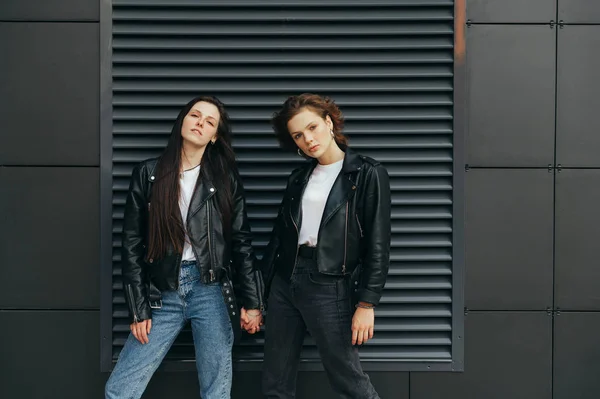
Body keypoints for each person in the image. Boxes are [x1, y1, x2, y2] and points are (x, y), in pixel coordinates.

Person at [105, 96, 264, 399]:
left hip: (212, 290)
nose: (200, 123)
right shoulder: (148, 174)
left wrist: (253, 302)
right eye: (195, 115)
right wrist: (138, 309)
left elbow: (241, 241)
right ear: (183, 120)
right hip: (162, 293)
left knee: (216, 392)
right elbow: (132, 245)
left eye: (209, 122)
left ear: (215, 135)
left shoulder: (225, 179)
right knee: (120, 390)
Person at [260, 93, 391, 398]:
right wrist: (258, 294)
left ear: (329, 123)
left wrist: (367, 303)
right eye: (298, 135)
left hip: (329, 282)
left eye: (313, 127)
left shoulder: (368, 173)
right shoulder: (298, 177)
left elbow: (378, 244)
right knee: (275, 380)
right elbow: (279, 237)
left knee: (347, 377)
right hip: (285, 280)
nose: (308, 139)